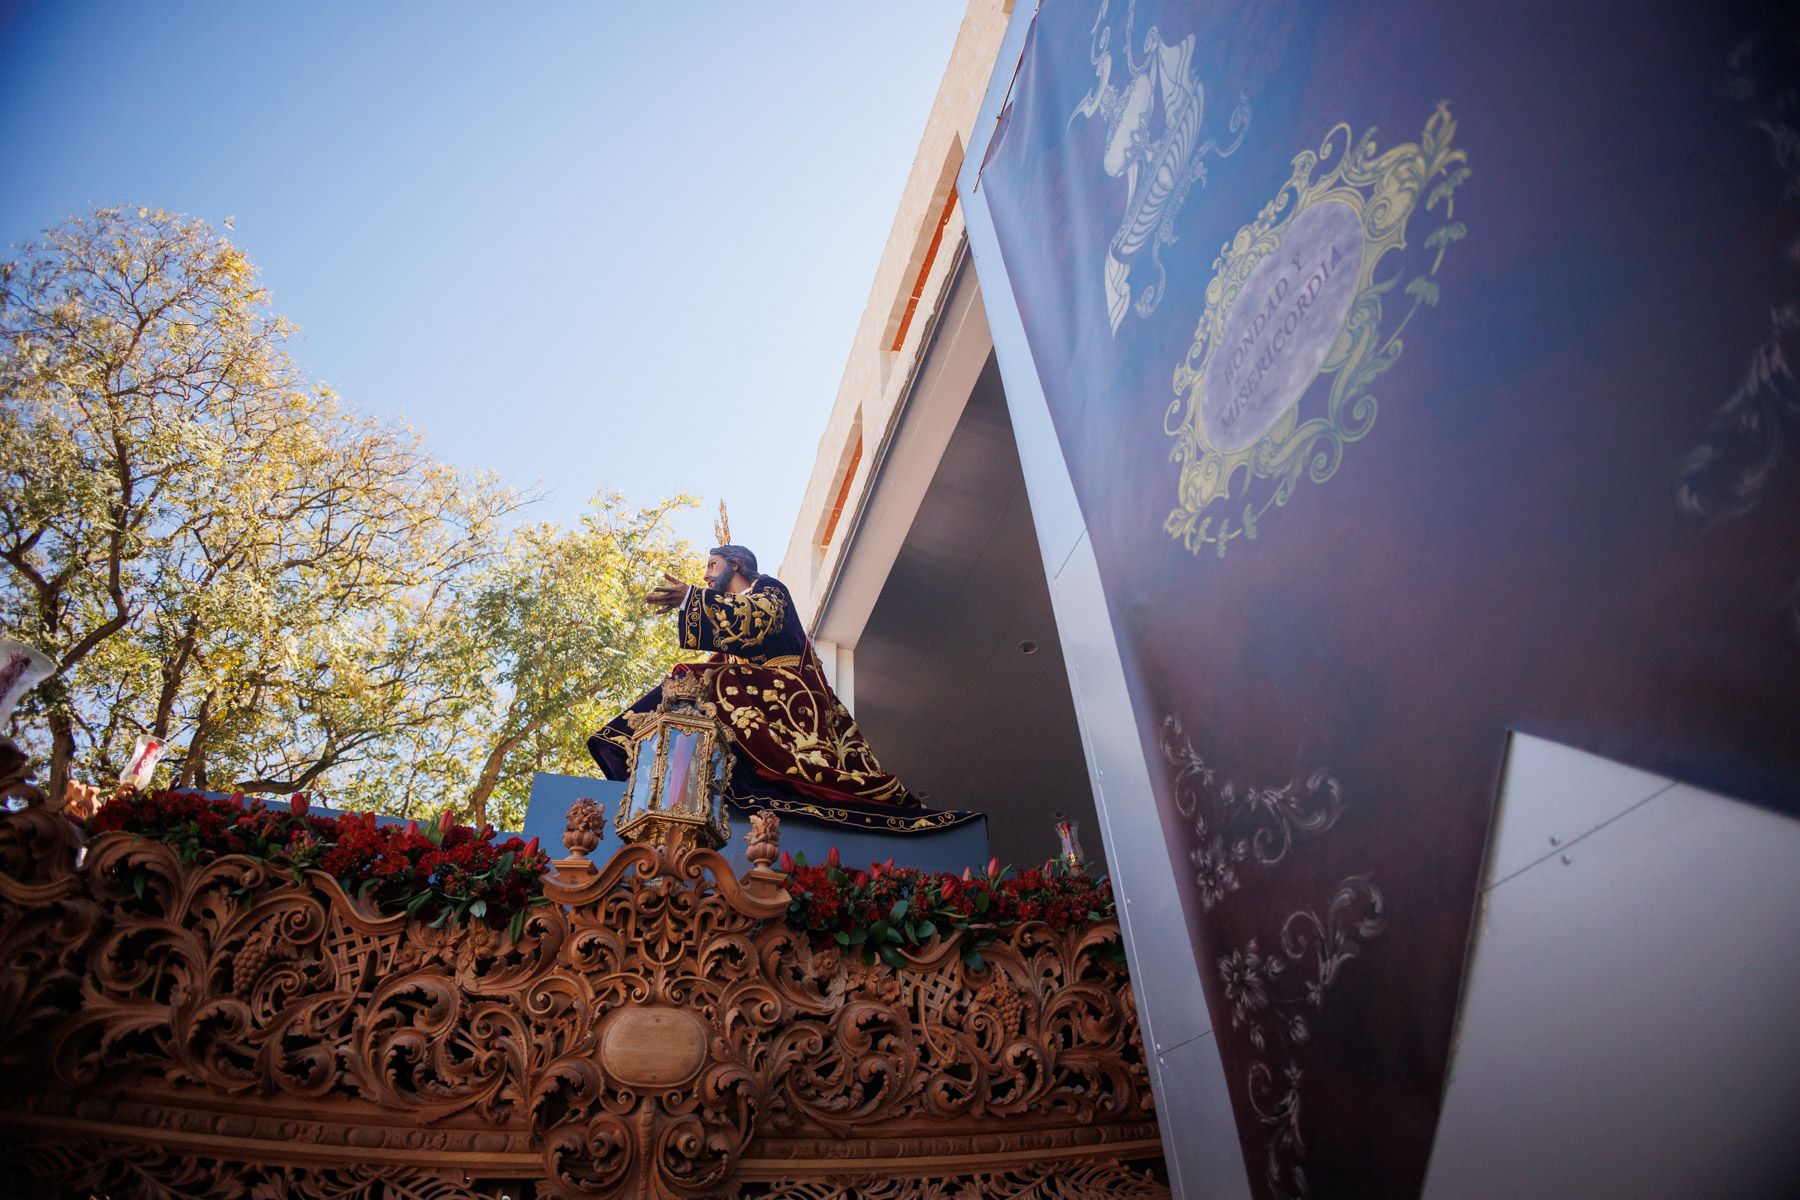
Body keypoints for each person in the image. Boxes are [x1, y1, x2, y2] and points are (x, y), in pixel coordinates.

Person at [587, 543, 915, 814]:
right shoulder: (733, 649)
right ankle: (631, 753)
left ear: (736, 563)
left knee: (702, 681)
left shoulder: (769, 588)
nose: (705, 573)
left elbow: (755, 620)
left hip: (788, 687)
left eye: (712, 564)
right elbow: (718, 660)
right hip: (756, 691)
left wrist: (692, 598)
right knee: (684, 684)